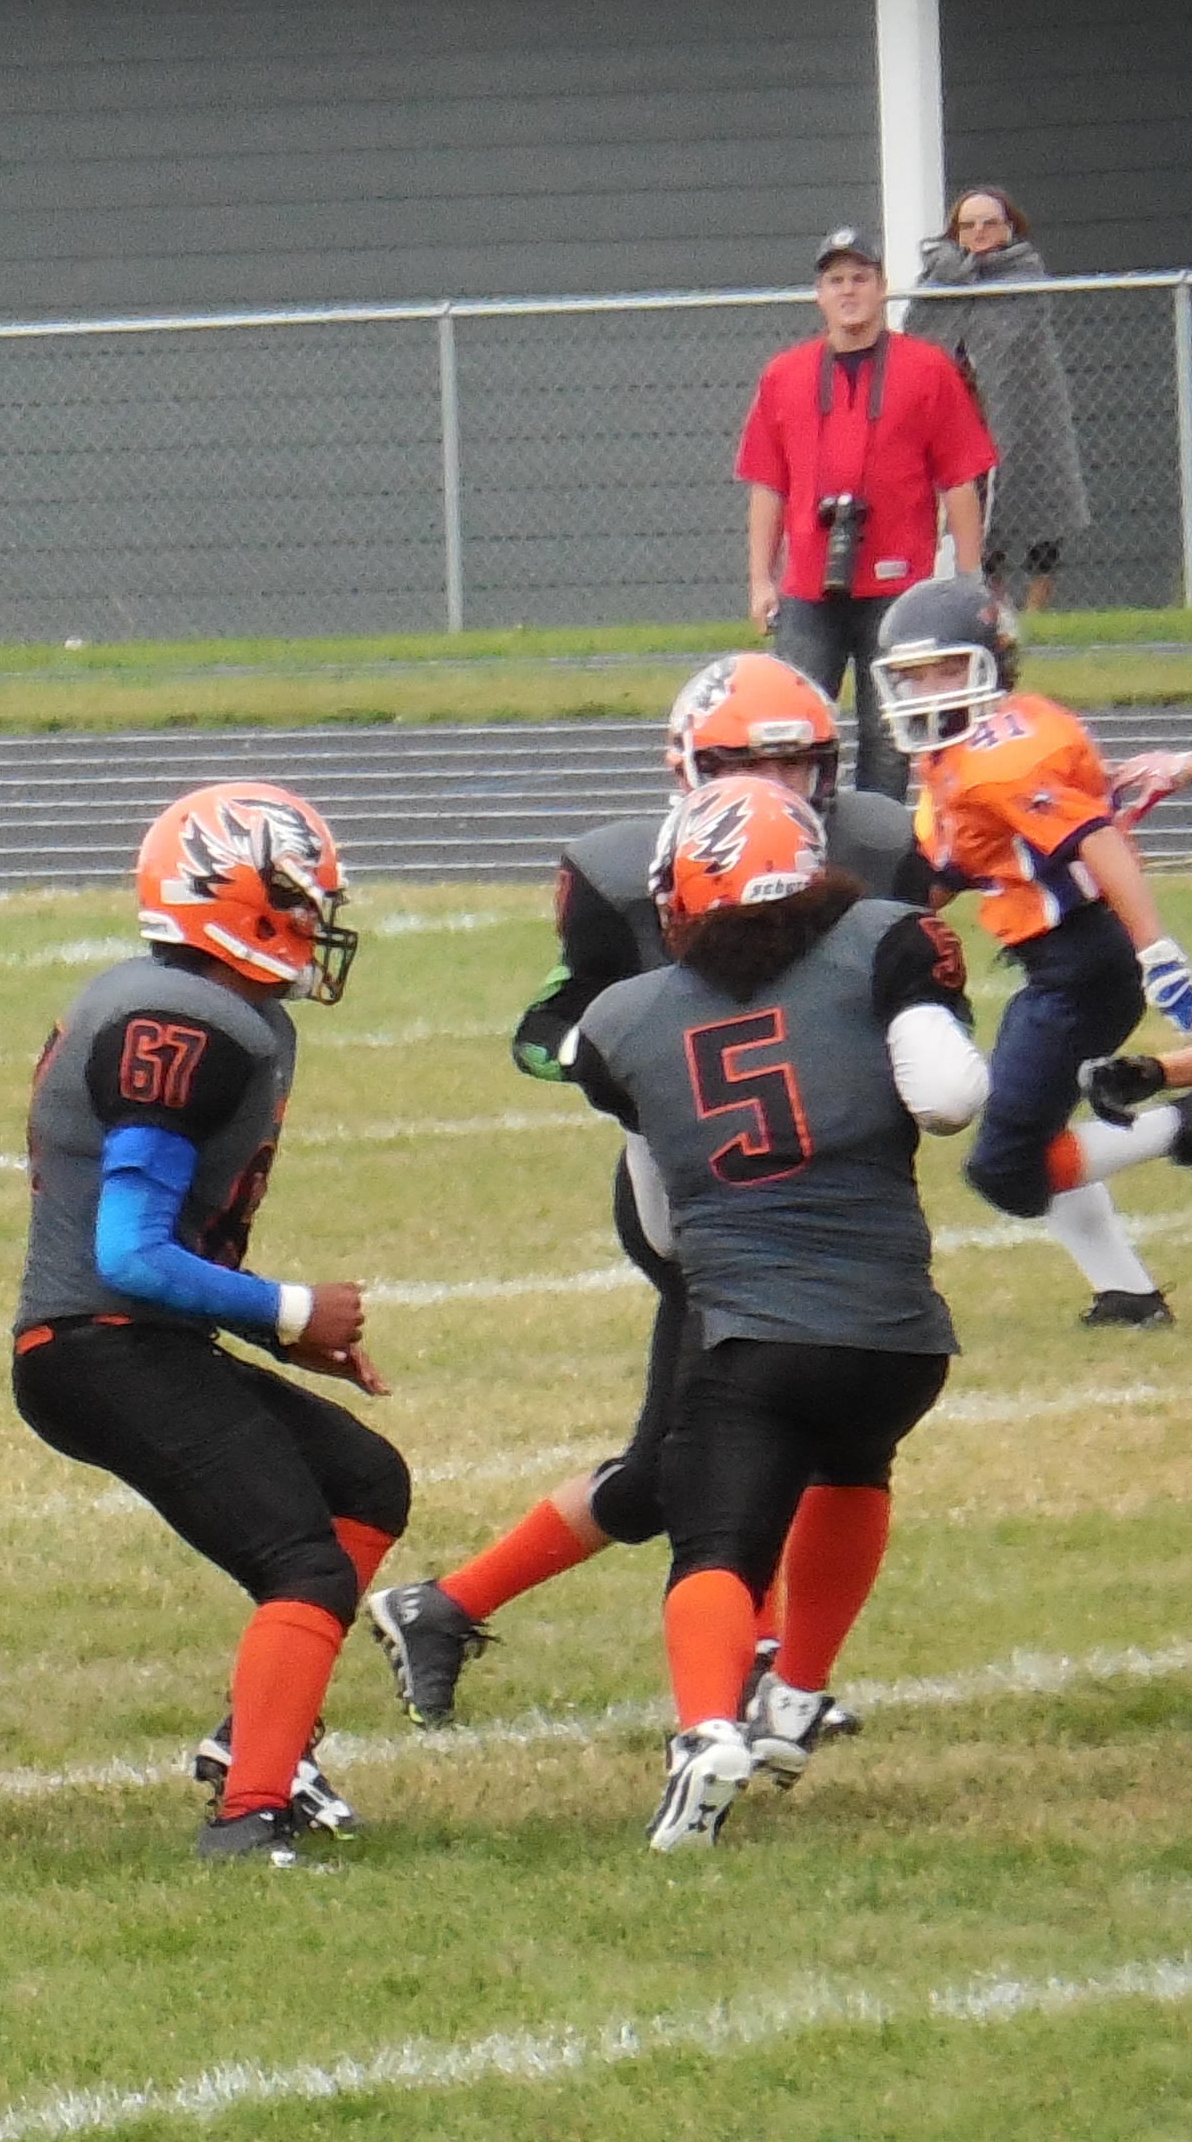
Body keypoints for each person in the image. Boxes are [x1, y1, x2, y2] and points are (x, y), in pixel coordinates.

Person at [370, 660, 934, 1720]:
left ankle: (447, 1606)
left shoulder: (879, 847)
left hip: (837, 1183)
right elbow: (544, 1032)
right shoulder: (627, 874)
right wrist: (645, 1070)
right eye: (744, 762)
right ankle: (753, 1669)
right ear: (688, 769)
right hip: (710, 1193)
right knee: (718, 1451)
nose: (775, 784)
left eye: (797, 762)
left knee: (695, 1459)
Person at [569, 780, 986, 1846]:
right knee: (855, 1469)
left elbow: (661, 1230)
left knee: (715, 1544)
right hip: (898, 1332)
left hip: (755, 1329)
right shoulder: (885, 942)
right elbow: (947, 1097)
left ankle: (708, 1733)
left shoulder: (624, 1021)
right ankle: (795, 1698)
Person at [12, 785, 406, 1864]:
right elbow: (131, 1254)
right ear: (232, 898)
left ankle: (256, 1738)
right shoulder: (182, 1023)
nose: (315, 920)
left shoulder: (197, 1006)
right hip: (97, 1345)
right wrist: (290, 1307)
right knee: (304, 1563)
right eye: (298, 898)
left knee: (366, 1483)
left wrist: (283, 1336)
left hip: (127, 1338)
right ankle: (248, 1816)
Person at [880, 572, 1192, 1324]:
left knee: (1007, 1168)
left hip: (1083, 965)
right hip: (1062, 962)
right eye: (914, 676)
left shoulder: (1003, 755)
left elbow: (1095, 840)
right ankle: (1126, 1296)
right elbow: (952, 868)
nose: (925, 691)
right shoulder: (961, 754)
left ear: (990, 662)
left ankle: (1187, 1122)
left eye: (944, 671)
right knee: (1034, 1131)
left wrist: (1154, 947)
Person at [736, 225, 994, 794]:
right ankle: (804, 837)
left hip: (899, 589)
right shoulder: (784, 375)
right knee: (796, 727)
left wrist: (969, 577)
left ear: (882, 287)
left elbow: (960, 480)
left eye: (860, 278)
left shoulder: (927, 369)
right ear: (818, 294)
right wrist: (760, 579)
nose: (848, 291)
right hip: (808, 587)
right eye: (836, 280)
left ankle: (881, 842)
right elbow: (766, 485)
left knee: (891, 733)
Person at [915, 186, 1088, 618]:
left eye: (989, 223)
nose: (979, 232)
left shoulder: (1024, 274)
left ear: (1009, 228)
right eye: (968, 225)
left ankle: (1035, 615)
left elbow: (1019, 337)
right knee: (975, 507)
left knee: (1040, 501)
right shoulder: (938, 279)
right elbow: (922, 335)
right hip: (964, 413)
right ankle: (993, 605)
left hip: (1026, 409)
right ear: (955, 232)